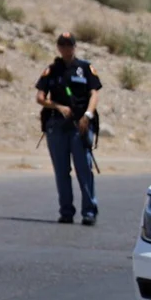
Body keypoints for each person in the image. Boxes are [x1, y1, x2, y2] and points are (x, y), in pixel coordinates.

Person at [35, 31, 102, 225]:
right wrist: (58, 107)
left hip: (79, 124)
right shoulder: (51, 70)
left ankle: (89, 212)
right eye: (62, 45)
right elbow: (40, 97)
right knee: (61, 170)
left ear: (75, 46)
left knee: (84, 168)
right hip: (56, 125)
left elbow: (94, 94)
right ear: (58, 47)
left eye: (69, 45)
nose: (66, 48)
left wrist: (88, 115)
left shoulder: (85, 68)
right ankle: (66, 212)